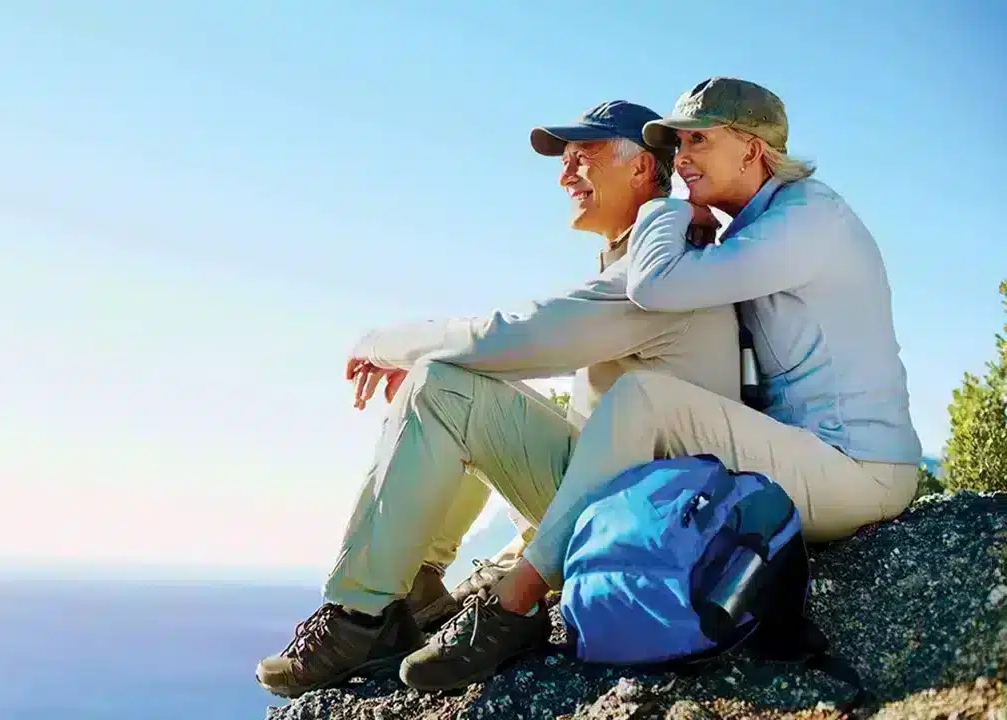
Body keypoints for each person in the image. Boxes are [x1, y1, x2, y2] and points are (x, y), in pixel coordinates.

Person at [403, 77, 923, 693]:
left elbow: (654, 286)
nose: (682, 159)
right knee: (537, 403)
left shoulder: (807, 220)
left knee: (644, 395)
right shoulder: (753, 230)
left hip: (858, 470)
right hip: (800, 458)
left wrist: (665, 209)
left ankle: (515, 602)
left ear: (753, 150)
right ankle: (488, 567)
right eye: (676, 144)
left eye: (697, 140)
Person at [256, 100, 743, 698]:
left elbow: (510, 336)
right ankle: (419, 584)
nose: (565, 176)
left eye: (582, 158)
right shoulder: (647, 257)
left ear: (643, 169)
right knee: (460, 383)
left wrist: (383, 345)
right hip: (632, 494)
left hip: (650, 519)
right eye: (563, 161)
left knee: (445, 385)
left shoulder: (663, 270)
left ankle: (360, 619)